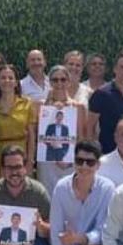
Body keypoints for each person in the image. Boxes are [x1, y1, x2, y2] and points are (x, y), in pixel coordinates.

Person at [37, 65, 89, 194]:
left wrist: (73, 160)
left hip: (69, 160)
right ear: (50, 82)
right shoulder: (40, 106)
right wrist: (50, 108)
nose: (59, 83)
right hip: (47, 161)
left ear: (69, 81)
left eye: (63, 79)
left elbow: (81, 138)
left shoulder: (79, 107)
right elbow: (39, 134)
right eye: (55, 80)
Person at [0, 65, 37, 183]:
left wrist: (30, 161)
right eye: (3, 78)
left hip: (21, 152)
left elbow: (31, 135)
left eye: (10, 78)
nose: (7, 81)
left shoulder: (27, 104)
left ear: (16, 82)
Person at [88, 48, 123, 154]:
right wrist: (94, 153)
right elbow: (90, 128)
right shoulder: (101, 94)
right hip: (106, 154)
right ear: (115, 69)